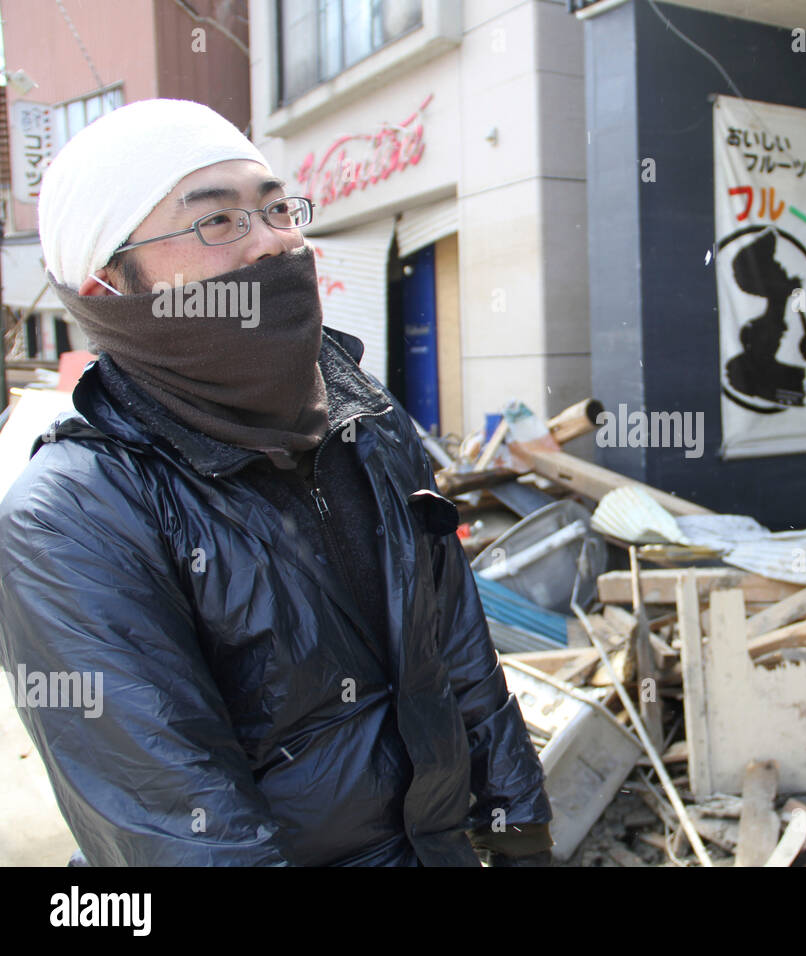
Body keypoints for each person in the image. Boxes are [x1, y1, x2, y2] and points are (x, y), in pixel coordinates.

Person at [0, 99, 551, 866]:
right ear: (106, 283)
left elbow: (455, 644)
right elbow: (181, 827)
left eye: (276, 209)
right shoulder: (74, 516)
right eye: (217, 222)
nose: (274, 245)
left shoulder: (365, 415)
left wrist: (519, 832)